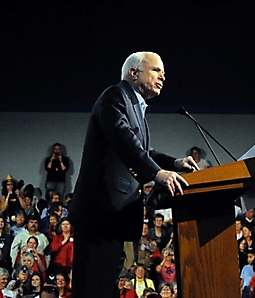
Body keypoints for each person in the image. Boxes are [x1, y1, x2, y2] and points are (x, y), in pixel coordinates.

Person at [69, 51, 199, 298]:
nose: (163, 76)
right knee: (91, 290)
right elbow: (123, 140)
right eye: (156, 70)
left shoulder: (135, 106)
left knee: (103, 289)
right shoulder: (114, 96)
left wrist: (174, 162)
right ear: (134, 72)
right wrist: (156, 174)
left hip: (114, 217)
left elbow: (142, 150)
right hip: (100, 212)